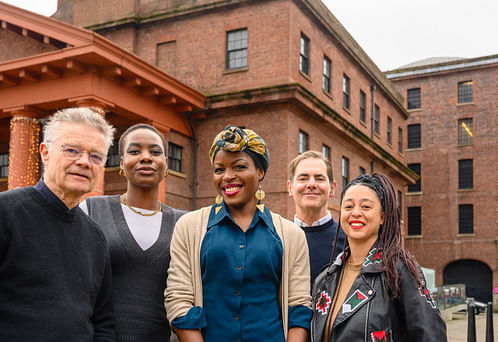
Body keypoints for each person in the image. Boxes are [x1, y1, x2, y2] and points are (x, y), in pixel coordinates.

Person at [165, 125, 312, 342]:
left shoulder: (291, 235)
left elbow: (299, 307)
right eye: (219, 169)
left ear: (260, 172)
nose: (227, 176)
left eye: (239, 167)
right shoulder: (188, 227)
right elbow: (178, 299)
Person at [0, 108, 116, 341]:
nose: (84, 162)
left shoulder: (96, 238)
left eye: (96, 156)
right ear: (45, 152)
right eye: (72, 150)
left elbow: (103, 321)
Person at [80, 123, 186, 342]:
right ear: (121, 163)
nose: (146, 157)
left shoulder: (185, 223)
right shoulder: (91, 210)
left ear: (166, 164)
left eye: (155, 152)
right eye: (135, 151)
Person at [310, 173, 447, 342]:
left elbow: (431, 335)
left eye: (366, 207)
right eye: (348, 207)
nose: (356, 213)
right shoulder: (325, 279)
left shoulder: (398, 271)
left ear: (382, 217)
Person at [287, 151, 345, 284]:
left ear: (332, 188)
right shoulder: (277, 238)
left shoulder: (349, 240)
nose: (311, 184)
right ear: (290, 188)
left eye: (319, 178)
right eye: (303, 178)